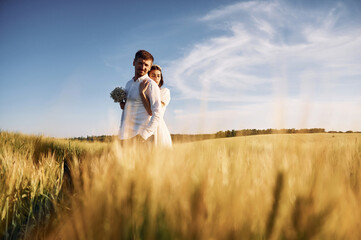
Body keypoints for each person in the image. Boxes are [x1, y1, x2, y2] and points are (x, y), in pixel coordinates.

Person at [119, 50, 161, 144]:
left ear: (150, 67)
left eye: (146, 65)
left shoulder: (151, 85)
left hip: (141, 138)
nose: (143, 67)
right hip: (124, 136)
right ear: (134, 62)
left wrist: (144, 135)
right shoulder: (128, 84)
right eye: (140, 63)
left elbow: (157, 113)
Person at [139, 64, 172, 147]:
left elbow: (153, 111)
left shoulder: (164, 92)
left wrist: (142, 94)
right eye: (153, 75)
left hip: (157, 127)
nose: (156, 78)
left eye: (158, 76)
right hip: (142, 126)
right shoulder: (144, 92)